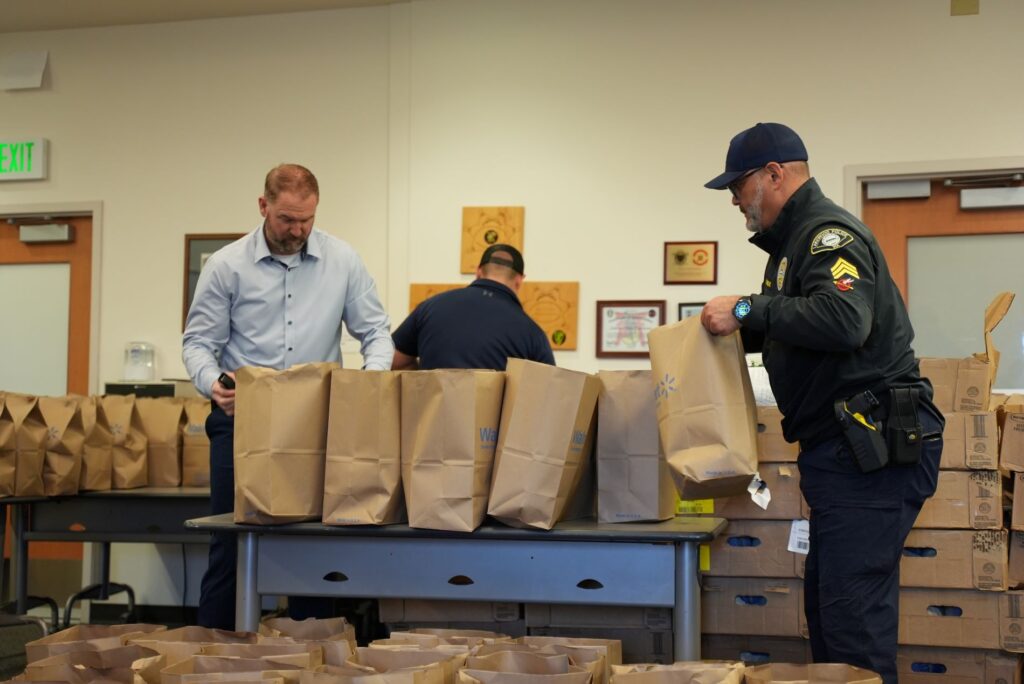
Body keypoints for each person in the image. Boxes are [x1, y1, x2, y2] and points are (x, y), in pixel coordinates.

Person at [699, 123, 943, 683]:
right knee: (831, 619)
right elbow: (802, 326)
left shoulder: (826, 234)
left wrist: (746, 311)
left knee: (850, 624)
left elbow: (844, 319)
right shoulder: (791, 247)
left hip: (869, 450)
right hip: (847, 453)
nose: (735, 201)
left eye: (738, 186)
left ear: (774, 174)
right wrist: (741, 327)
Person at [182, 163, 393, 630]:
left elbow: (377, 333)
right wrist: (213, 381)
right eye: (286, 220)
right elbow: (197, 343)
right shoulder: (226, 265)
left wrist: (367, 381)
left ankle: (309, 659)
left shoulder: (343, 261)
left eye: (307, 220)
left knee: (312, 547)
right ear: (263, 207)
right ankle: (214, 659)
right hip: (242, 423)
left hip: (316, 427)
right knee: (231, 543)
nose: (297, 231)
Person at [391, 243, 555, 370]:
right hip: (492, 415)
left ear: (478, 272)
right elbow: (548, 393)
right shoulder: (532, 333)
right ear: (519, 280)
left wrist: (425, 378)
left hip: (431, 412)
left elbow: (392, 360)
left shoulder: (430, 307)